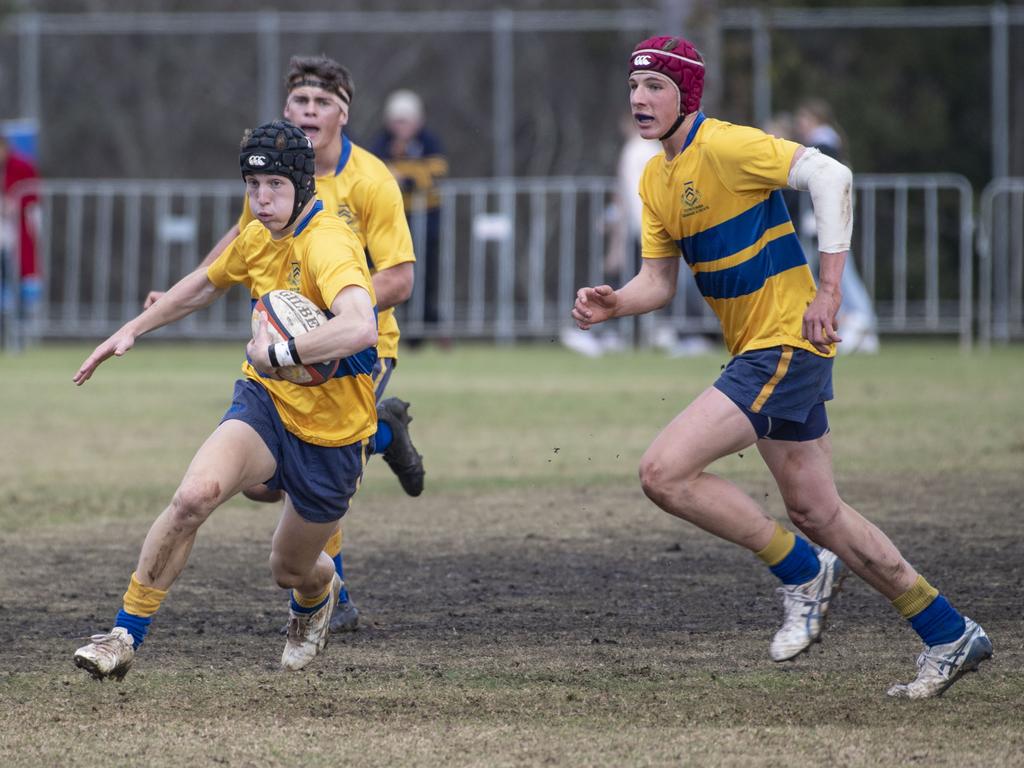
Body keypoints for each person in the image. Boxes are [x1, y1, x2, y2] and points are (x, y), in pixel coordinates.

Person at [572, 35, 992, 699]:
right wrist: (614, 302)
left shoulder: (728, 144)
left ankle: (801, 571)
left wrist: (829, 291)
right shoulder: (656, 178)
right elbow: (657, 282)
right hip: (764, 350)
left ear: (687, 93)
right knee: (818, 509)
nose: (639, 98)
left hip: (785, 343)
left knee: (663, 472)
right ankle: (947, 631)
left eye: (655, 86)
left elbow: (833, 176)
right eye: (634, 86)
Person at [72, 120, 378, 678]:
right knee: (194, 497)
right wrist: (134, 328)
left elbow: (360, 327)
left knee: (291, 570)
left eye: (276, 187)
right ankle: (123, 635)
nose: (262, 200)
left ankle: (315, 601)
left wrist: (282, 355)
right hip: (265, 403)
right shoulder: (258, 233)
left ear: (303, 186)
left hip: (333, 435)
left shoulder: (328, 241)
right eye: (252, 186)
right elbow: (207, 282)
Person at [145, 55, 426, 633]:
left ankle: (333, 595)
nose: (309, 112)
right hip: (291, 343)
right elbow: (237, 247)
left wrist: (326, 312)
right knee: (263, 487)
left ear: (343, 114)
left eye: (322, 103)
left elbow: (398, 279)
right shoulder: (278, 172)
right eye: (300, 101)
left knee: (321, 446)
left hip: (359, 344)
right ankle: (386, 431)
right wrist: (177, 295)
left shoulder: (371, 181)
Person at [795, 99, 879, 354]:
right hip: (829, 219)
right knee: (836, 270)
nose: (800, 124)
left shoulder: (823, 144)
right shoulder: (831, 143)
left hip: (823, 221)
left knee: (836, 272)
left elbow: (824, 183)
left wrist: (812, 214)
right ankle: (861, 323)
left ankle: (864, 319)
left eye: (803, 119)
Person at [370, 89, 448, 347]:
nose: (401, 126)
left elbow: (437, 172)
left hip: (427, 218)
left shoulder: (430, 142)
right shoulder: (381, 143)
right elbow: (374, 171)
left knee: (427, 275)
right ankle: (396, 327)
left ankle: (426, 328)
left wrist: (407, 177)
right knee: (389, 273)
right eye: (397, 120)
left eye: (406, 120)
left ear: (418, 120)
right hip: (392, 221)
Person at [0, 134, 42, 336]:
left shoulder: (21, 167)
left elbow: (33, 197)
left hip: (15, 233)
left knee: (17, 279)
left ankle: (18, 329)